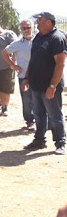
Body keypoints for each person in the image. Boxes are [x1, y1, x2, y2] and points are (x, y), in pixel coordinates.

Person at [21, 12, 67, 155]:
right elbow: (33, 60)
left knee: (54, 115)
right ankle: (39, 140)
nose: (37, 23)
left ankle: (61, 142)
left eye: (40, 20)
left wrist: (52, 86)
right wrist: (26, 78)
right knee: (39, 114)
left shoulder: (56, 38)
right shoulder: (38, 37)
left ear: (48, 22)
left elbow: (60, 64)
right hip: (36, 85)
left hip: (49, 86)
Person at [2, 19, 35, 130]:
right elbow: (5, 52)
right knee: (26, 100)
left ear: (33, 27)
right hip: (23, 76)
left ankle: (42, 121)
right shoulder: (17, 44)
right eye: (23, 28)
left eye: (28, 27)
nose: (26, 30)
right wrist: (13, 65)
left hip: (39, 76)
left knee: (40, 99)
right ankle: (29, 121)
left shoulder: (39, 40)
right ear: (20, 30)